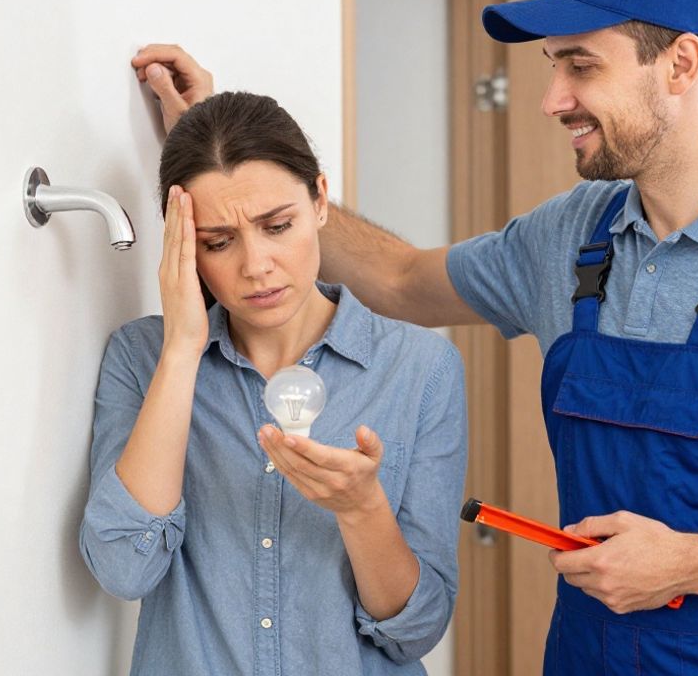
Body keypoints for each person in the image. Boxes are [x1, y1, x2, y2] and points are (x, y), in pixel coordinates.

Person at [132, 0, 698, 673]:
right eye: (552, 66)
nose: (552, 99)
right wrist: (228, 149)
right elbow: (398, 280)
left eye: (581, 65)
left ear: (681, 63)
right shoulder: (573, 236)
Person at [79, 91, 467, 675]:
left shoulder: (420, 368)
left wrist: (363, 510)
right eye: (218, 242)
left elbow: (417, 631)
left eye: (277, 226)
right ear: (184, 246)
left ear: (319, 202)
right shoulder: (143, 358)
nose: (255, 265)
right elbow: (122, 570)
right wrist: (183, 350)